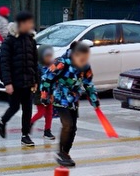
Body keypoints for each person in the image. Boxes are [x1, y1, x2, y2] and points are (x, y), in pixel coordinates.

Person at [39, 39, 99, 167]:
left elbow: (88, 83)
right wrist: (45, 95)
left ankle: (65, 153)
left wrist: (94, 99)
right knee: (68, 125)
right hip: (60, 98)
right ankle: (61, 153)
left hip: (73, 100)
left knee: (73, 128)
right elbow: (47, 78)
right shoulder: (61, 63)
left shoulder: (85, 66)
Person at [0, 10, 39, 147]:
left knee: (28, 109)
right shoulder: (9, 41)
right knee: (14, 107)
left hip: (28, 82)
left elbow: (34, 62)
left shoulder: (31, 40)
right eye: (28, 22)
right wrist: (8, 83)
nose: (31, 25)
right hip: (15, 82)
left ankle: (25, 135)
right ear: (21, 24)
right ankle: (3, 121)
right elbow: (4, 63)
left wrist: (36, 80)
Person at [29, 46, 58, 140]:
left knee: (49, 112)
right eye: (47, 56)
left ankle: (47, 131)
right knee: (41, 112)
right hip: (39, 92)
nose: (49, 58)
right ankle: (29, 124)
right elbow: (34, 77)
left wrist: (53, 92)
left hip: (50, 91)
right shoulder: (37, 66)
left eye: (50, 56)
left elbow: (54, 79)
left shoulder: (52, 65)